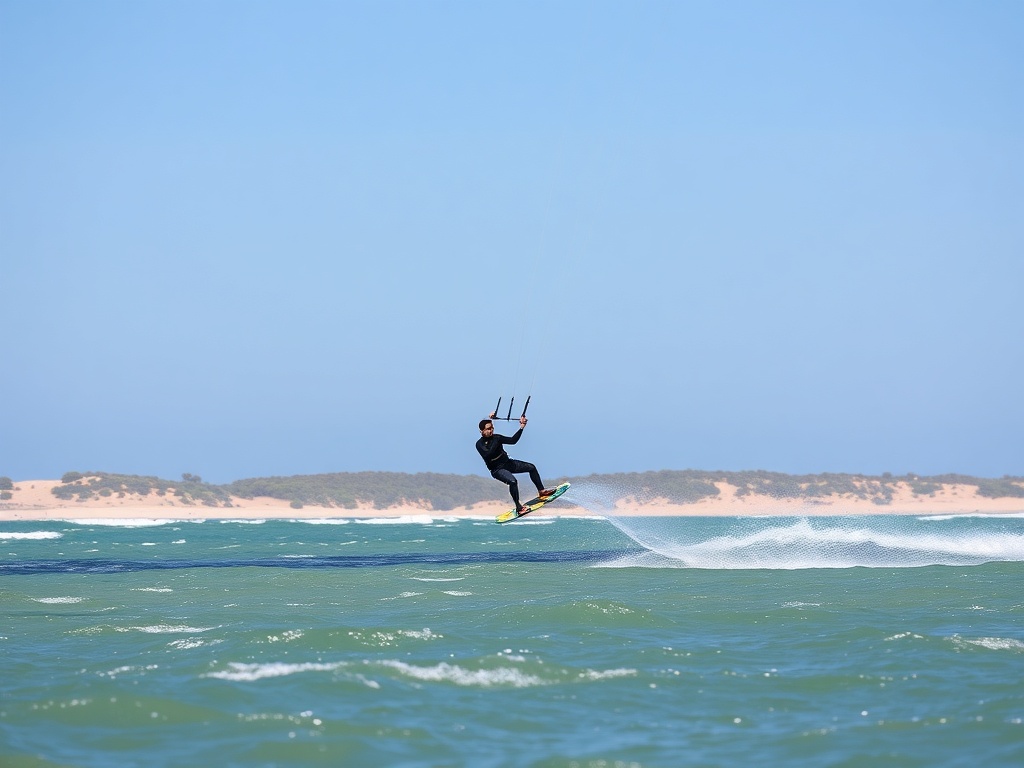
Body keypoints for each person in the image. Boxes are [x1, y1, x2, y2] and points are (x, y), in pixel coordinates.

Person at [476, 413, 554, 513]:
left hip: (508, 463)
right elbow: (488, 454)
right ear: (481, 431)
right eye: (488, 429)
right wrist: (494, 435)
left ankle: (542, 491)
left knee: (531, 467)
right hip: (497, 470)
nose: (491, 431)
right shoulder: (479, 444)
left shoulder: (497, 437)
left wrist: (521, 427)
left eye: (492, 428)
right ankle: (519, 507)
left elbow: (513, 441)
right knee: (512, 482)